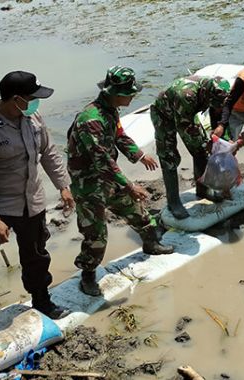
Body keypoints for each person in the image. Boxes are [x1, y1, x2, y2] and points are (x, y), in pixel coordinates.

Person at [0, 71, 74, 339]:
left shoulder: (32, 118)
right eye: (32, 98)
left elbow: (49, 152)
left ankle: (42, 301)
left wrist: (63, 186)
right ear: (16, 99)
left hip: (32, 202)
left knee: (35, 255)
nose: (36, 103)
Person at [68, 66, 174, 296]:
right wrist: (129, 185)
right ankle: (87, 276)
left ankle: (151, 244)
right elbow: (102, 160)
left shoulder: (110, 110)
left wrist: (139, 155)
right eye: (129, 93)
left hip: (108, 178)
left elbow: (119, 136)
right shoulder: (90, 120)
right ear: (114, 92)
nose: (133, 97)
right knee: (96, 235)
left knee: (137, 210)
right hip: (89, 184)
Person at [151, 75, 232, 219]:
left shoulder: (214, 91)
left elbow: (215, 112)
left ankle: (202, 190)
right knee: (169, 157)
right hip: (164, 114)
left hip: (188, 111)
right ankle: (173, 202)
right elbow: (185, 127)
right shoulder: (186, 95)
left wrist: (217, 139)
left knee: (200, 152)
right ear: (207, 94)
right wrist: (205, 144)